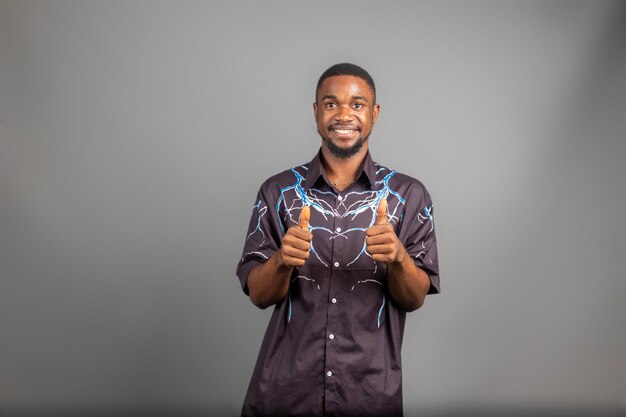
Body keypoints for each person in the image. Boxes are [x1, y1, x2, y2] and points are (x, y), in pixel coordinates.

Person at [236, 63, 440, 417]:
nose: (344, 114)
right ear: (316, 113)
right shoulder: (278, 191)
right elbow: (258, 295)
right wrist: (282, 259)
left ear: (374, 114)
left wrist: (397, 259)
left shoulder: (408, 196)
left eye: (357, 105)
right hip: (283, 394)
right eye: (331, 104)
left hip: (370, 394)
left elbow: (415, 298)